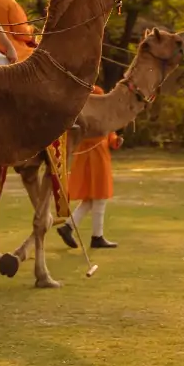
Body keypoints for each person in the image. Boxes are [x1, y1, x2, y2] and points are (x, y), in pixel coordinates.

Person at [58, 86, 122, 249]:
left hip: (97, 153)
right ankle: (96, 236)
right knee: (99, 197)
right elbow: (95, 130)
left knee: (92, 199)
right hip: (92, 155)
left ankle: (69, 227)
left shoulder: (97, 101)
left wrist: (115, 140)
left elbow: (107, 130)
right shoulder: (82, 105)